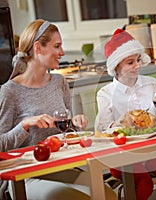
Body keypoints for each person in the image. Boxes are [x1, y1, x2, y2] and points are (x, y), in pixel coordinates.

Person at [94, 28, 156, 200]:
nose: (137, 65)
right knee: (145, 183)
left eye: (138, 60)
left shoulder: (152, 84)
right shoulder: (105, 93)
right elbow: (103, 129)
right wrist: (124, 123)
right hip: (122, 156)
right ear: (117, 66)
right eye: (130, 62)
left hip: (153, 151)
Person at [0, 19, 91, 200]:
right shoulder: (9, 91)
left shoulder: (59, 82)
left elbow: (67, 132)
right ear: (38, 48)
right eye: (57, 46)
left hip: (60, 166)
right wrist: (25, 125)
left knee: (106, 194)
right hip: (25, 175)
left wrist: (76, 124)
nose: (62, 52)